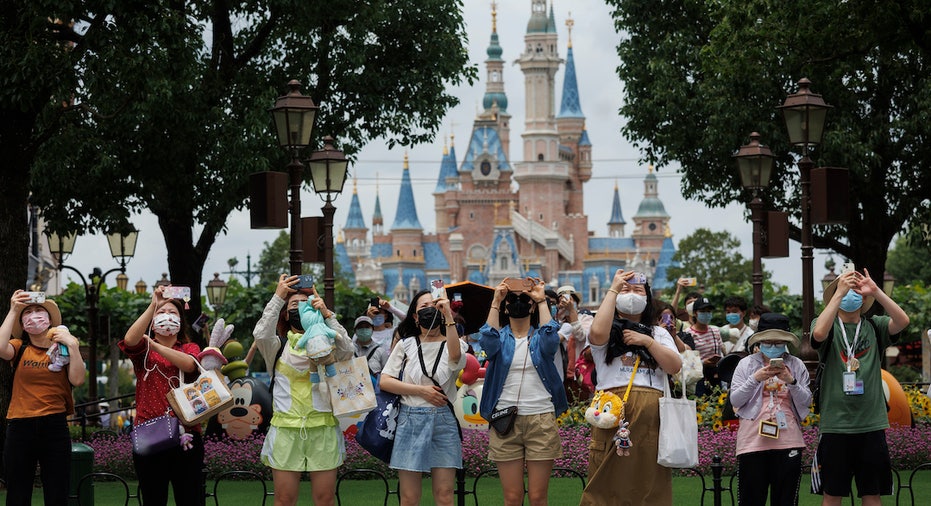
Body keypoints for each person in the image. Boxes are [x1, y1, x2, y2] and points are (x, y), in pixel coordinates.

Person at [579, 270, 682, 505]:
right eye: (625, 290)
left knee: (649, 481)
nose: (632, 295)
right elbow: (596, 333)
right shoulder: (607, 329)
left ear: (647, 299)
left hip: (651, 419)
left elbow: (674, 365)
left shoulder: (659, 333)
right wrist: (614, 288)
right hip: (611, 412)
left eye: (638, 290)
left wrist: (647, 342)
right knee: (605, 480)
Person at [252, 274, 353, 506]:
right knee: (284, 500)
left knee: (325, 499)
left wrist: (327, 315)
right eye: (293, 305)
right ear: (286, 314)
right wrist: (278, 297)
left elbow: (348, 349)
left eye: (305, 303)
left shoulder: (329, 343)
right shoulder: (277, 346)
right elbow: (260, 334)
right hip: (286, 430)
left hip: (323, 428)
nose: (299, 308)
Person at [811, 269, 909, 506]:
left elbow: (903, 321)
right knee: (832, 494)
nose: (850, 295)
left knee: (872, 493)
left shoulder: (875, 326)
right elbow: (818, 334)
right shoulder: (827, 324)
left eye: (856, 291)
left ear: (864, 298)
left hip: (871, 423)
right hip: (836, 425)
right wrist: (838, 293)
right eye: (846, 290)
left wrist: (876, 291)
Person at [479, 279, 568, 506]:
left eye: (524, 299)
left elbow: (550, 340)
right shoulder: (499, 338)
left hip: (541, 418)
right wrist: (496, 301)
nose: (518, 303)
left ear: (531, 306)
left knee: (538, 497)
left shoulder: (539, 337)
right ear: (506, 306)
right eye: (513, 299)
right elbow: (486, 340)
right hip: (505, 420)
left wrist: (540, 301)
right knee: (512, 497)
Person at [379, 288, 467, 506]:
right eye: (424, 307)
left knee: (445, 495)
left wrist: (448, 315)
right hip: (410, 419)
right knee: (409, 498)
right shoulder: (405, 344)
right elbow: (385, 380)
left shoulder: (454, 342)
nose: (430, 311)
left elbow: (456, 357)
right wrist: (421, 391)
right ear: (415, 316)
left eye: (434, 305)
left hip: (443, 421)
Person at [0, 290, 85, 506]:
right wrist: (13, 310)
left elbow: (77, 379)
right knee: (17, 493)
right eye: (28, 312)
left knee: (57, 494)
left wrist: (73, 346)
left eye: (39, 310)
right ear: (22, 322)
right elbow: (1, 348)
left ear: (49, 320)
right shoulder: (19, 348)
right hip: (20, 425)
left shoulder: (64, 349)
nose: (34, 315)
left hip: (54, 425)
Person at [119, 286, 202, 506]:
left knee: (190, 497)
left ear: (180, 322)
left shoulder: (190, 348)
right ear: (153, 321)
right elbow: (129, 340)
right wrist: (153, 304)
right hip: (150, 431)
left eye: (173, 313)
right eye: (161, 313)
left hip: (187, 433)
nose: (167, 316)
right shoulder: (142, 352)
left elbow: (189, 365)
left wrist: (155, 345)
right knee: (153, 498)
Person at [730, 313, 811, 506]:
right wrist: (755, 378)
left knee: (786, 500)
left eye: (778, 342)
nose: (773, 346)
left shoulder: (796, 364)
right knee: (751, 500)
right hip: (752, 441)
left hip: (788, 439)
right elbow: (735, 399)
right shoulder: (747, 364)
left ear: (786, 343)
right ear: (760, 342)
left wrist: (791, 381)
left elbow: (807, 401)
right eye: (768, 342)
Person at [687, 297, 724, 396]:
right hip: (698, 378)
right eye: (703, 311)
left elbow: (721, 351)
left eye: (709, 311)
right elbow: (687, 361)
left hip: (715, 377)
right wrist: (703, 362)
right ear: (695, 313)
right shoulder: (688, 333)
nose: (706, 314)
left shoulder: (715, 331)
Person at [352, 315, 389, 384]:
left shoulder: (381, 351)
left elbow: (387, 376)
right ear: (355, 331)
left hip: (375, 392)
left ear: (372, 329)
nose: (364, 330)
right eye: (360, 327)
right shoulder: (348, 351)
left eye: (366, 327)